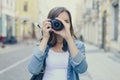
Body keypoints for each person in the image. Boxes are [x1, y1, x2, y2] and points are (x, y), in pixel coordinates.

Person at [28, 7, 88, 80]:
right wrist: (45, 38)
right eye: (58, 21)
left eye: (66, 21)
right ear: (50, 22)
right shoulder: (44, 45)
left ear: (70, 25)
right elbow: (33, 70)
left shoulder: (78, 46)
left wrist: (69, 38)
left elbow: (82, 69)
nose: (62, 24)